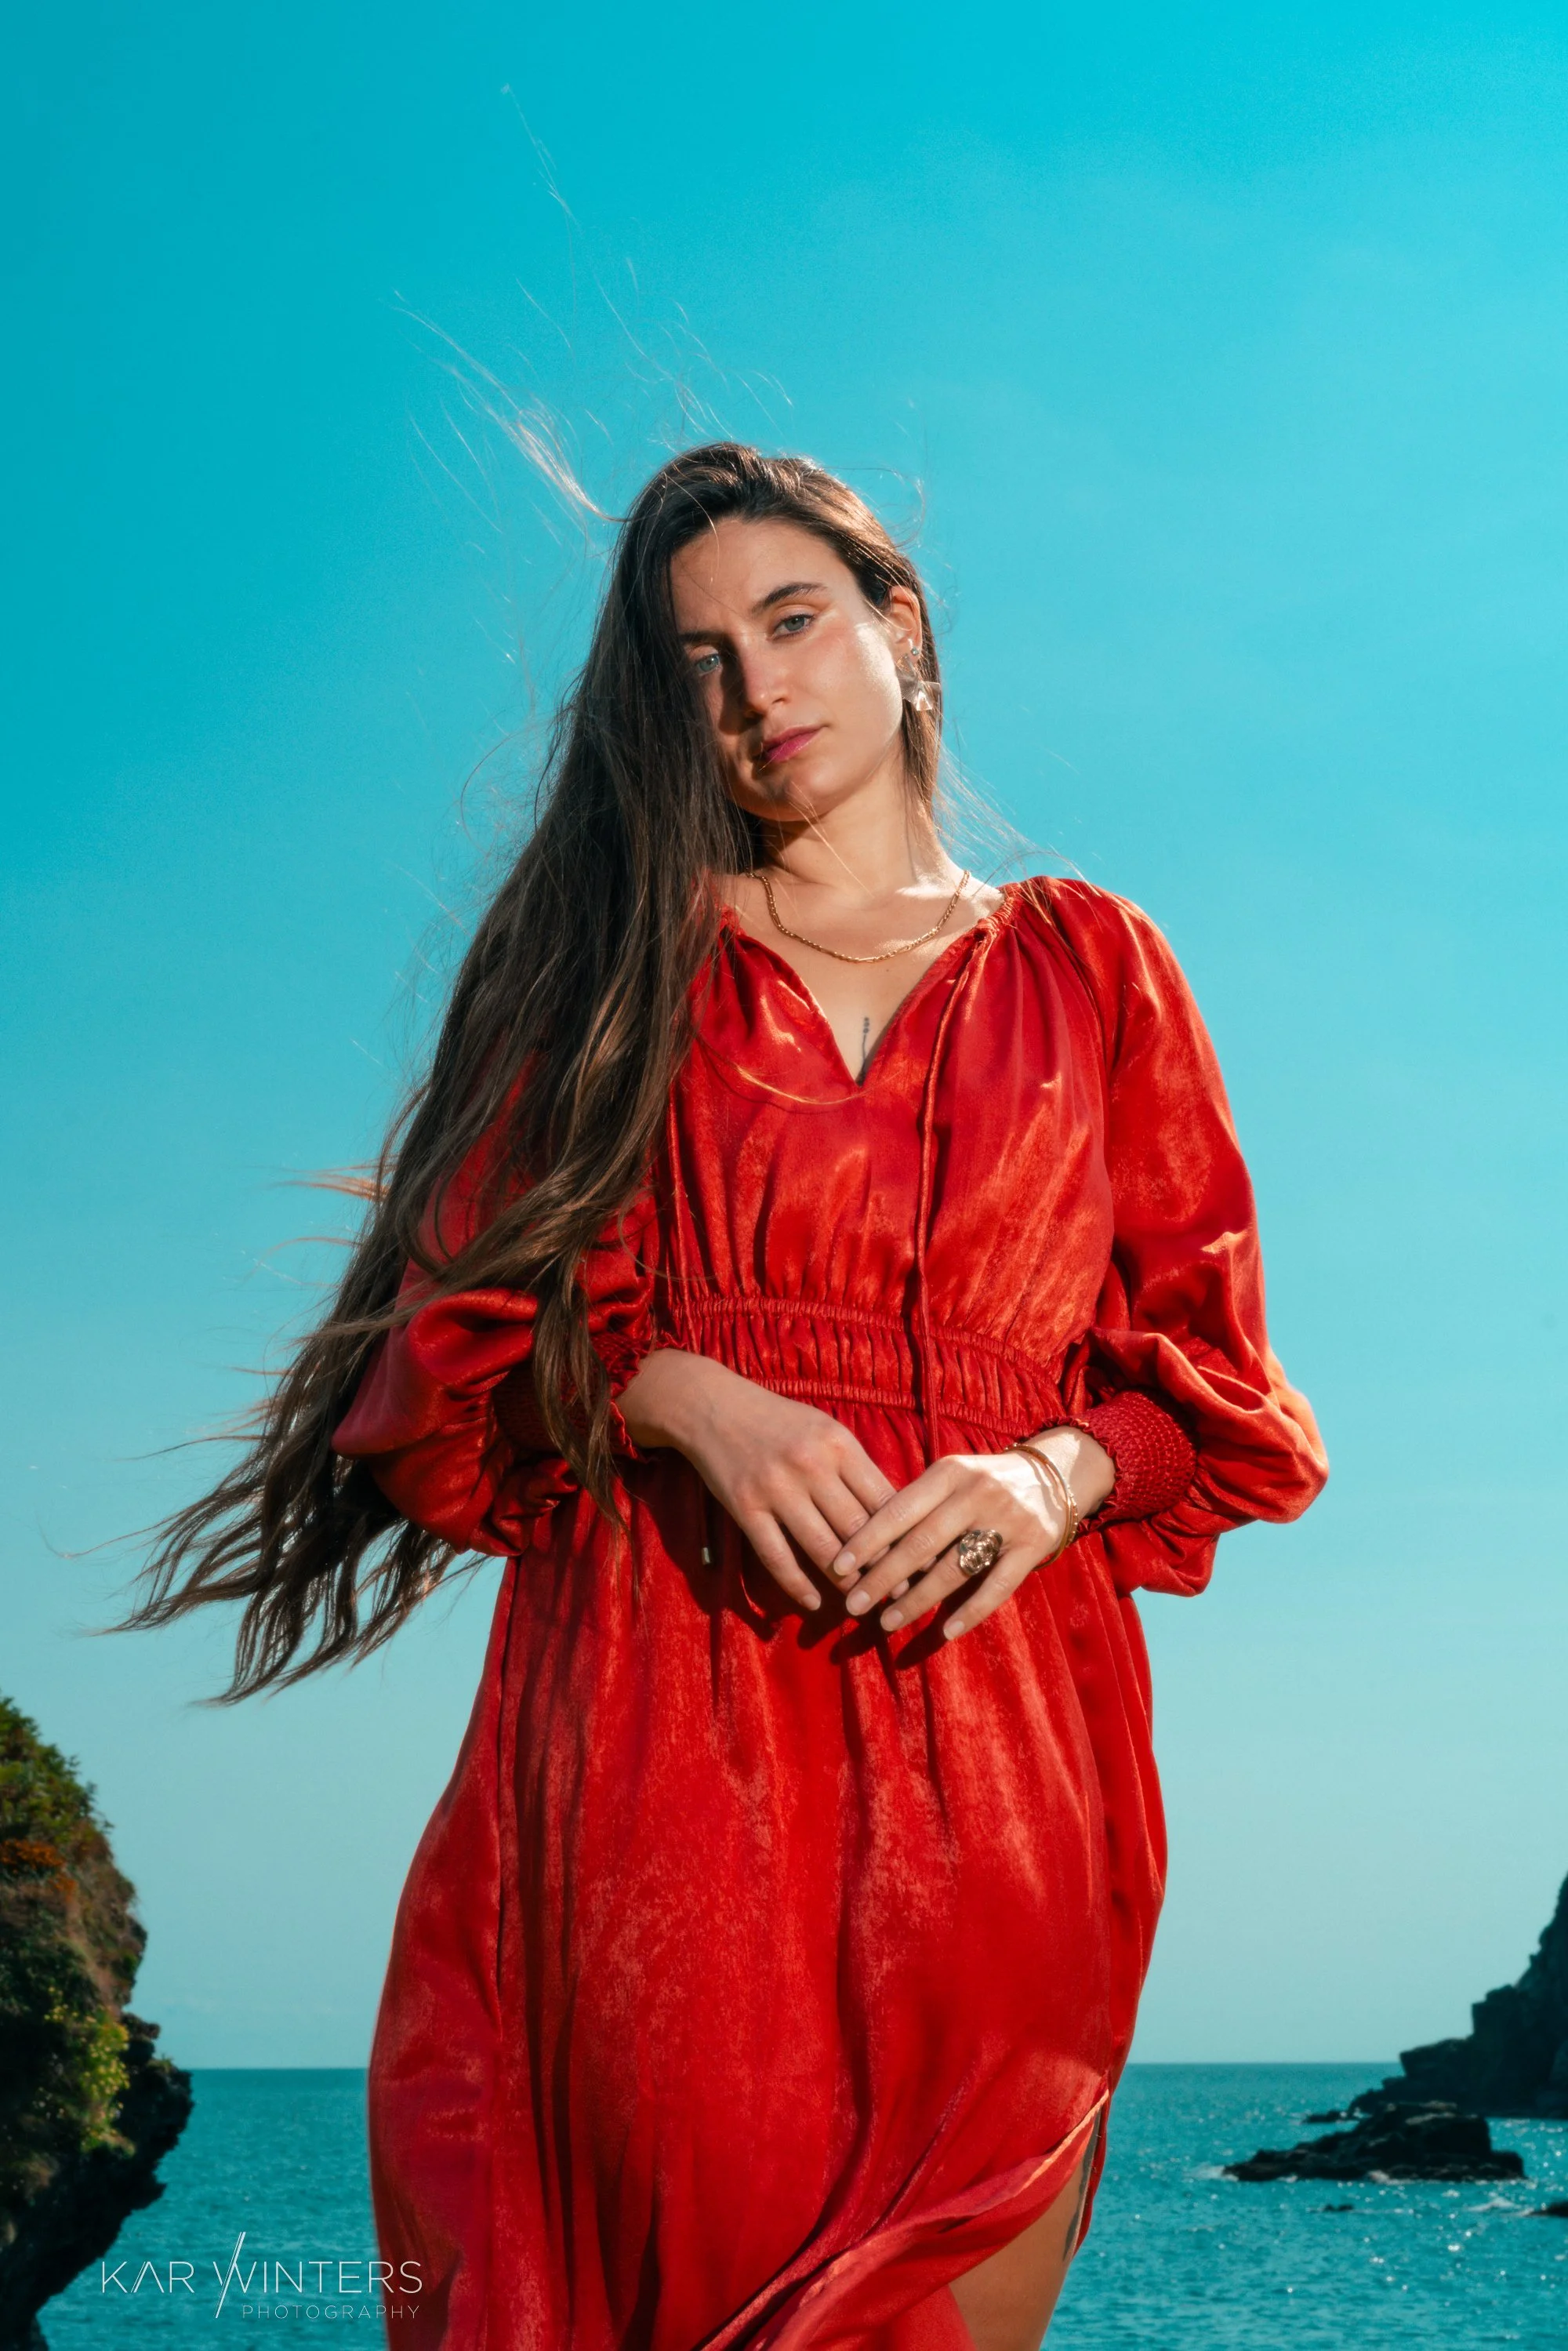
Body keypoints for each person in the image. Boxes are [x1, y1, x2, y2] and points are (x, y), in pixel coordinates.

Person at [125, 442, 1327, 2350]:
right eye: (695, 660)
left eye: (790, 620)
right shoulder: (607, 971)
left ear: (897, 626)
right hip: (668, 1763)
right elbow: (441, 1363)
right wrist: (678, 1386)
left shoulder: (1099, 969)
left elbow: (1217, 1381)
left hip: (1014, 1775)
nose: (756, 689)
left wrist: (1049, 1469)